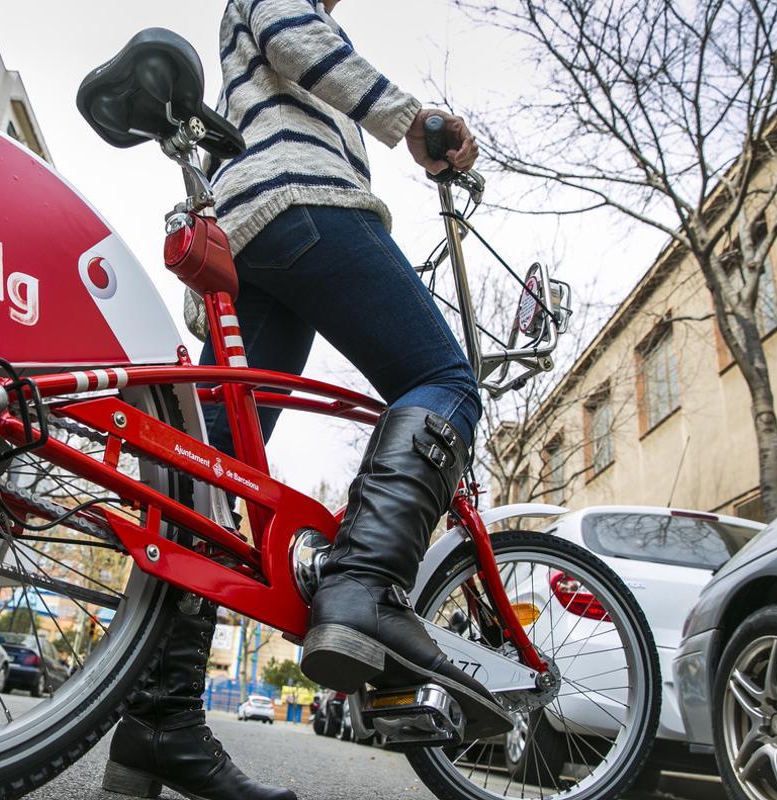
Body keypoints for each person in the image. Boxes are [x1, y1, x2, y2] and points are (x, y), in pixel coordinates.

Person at [102, 2, 512, 798]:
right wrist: (414, 119)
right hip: (304, 205)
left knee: (208, 480)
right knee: (446, 380)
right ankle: (359, 589)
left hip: (251, 231)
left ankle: (158, 724)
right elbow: (296, 40)